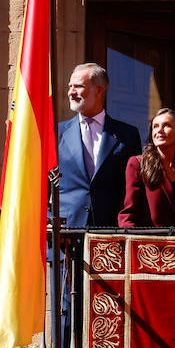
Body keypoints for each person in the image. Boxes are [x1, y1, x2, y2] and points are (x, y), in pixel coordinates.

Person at [54, 63, 142, 227]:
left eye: (78, 86)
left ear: (99, 90)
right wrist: (49, 219)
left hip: (110, 230)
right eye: (70, 86)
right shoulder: (55, 133)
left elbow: (133, 186)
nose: (71, 92)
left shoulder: (127, 135)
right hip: (65, 233)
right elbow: (41, 181)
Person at [119, 108, 175, 227]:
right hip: (149, 243)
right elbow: (128, 215)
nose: (159, 130)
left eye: (166, 125)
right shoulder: (138, 164)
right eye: (155, 126)